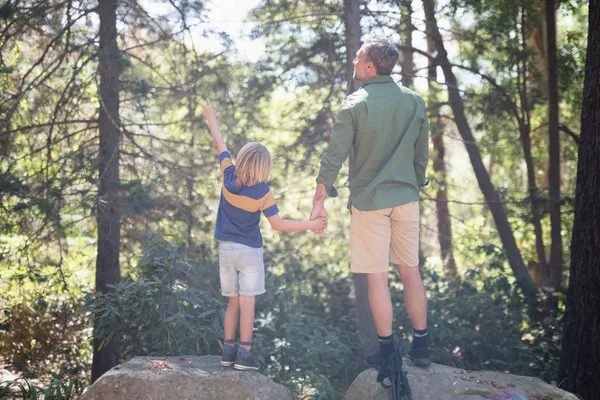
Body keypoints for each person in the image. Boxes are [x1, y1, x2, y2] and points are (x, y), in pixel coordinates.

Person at [310, 36, 431, 367]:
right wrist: (414, 183)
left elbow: (334, 156)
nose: (353, 61)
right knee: (411, 272)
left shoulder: (354, 104)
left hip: (369, 202)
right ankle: (421, 347)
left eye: (357, 57)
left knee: (377, 277)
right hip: (406, 197)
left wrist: (320, 199)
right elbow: (422, 155)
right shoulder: (414, 102)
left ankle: (388, 351)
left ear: (370, 65)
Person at [202, 99, 327, 371]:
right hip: (249, 252)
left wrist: (210, 115)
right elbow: (278, 224)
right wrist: (311, 224)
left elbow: (219, 142)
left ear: (242, 159)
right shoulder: (263, 192)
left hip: (226, 250)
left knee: (232, 303)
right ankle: (245, 355)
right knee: (248, 303)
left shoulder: (227, 174)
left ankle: (228, 351)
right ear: (263, 168)